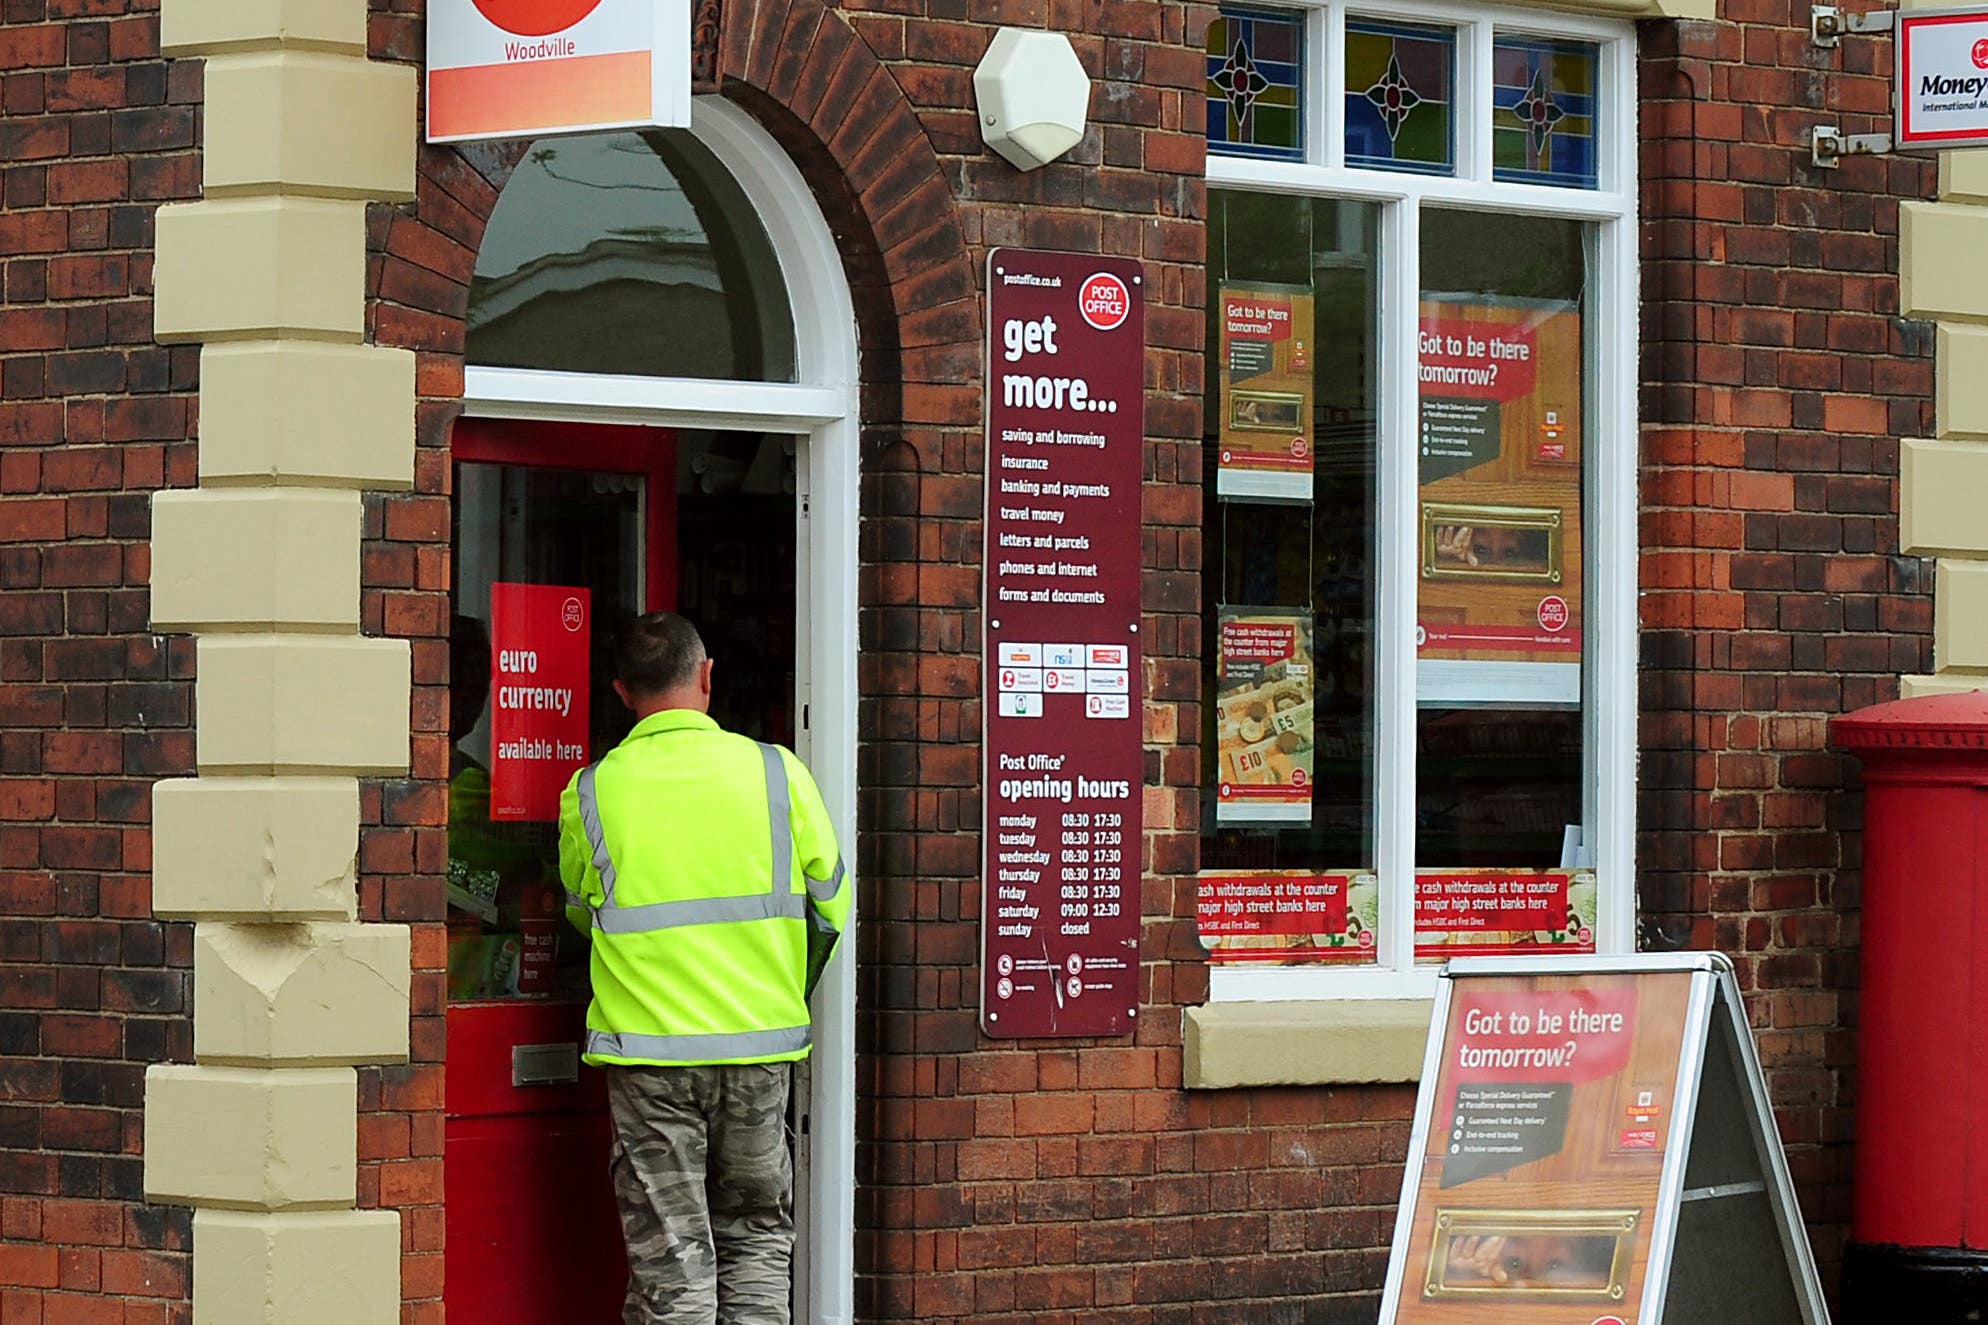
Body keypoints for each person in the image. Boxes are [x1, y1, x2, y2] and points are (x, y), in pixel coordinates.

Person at [558, 611, 849, 1325]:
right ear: (707, 674)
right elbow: (831, 909)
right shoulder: (780, 773)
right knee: (755, 1238)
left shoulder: (591, 792)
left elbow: (579, 911)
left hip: (651, 1056)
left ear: (622, 692)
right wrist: (775, 985)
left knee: (674, 1259)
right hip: (759, 1047)